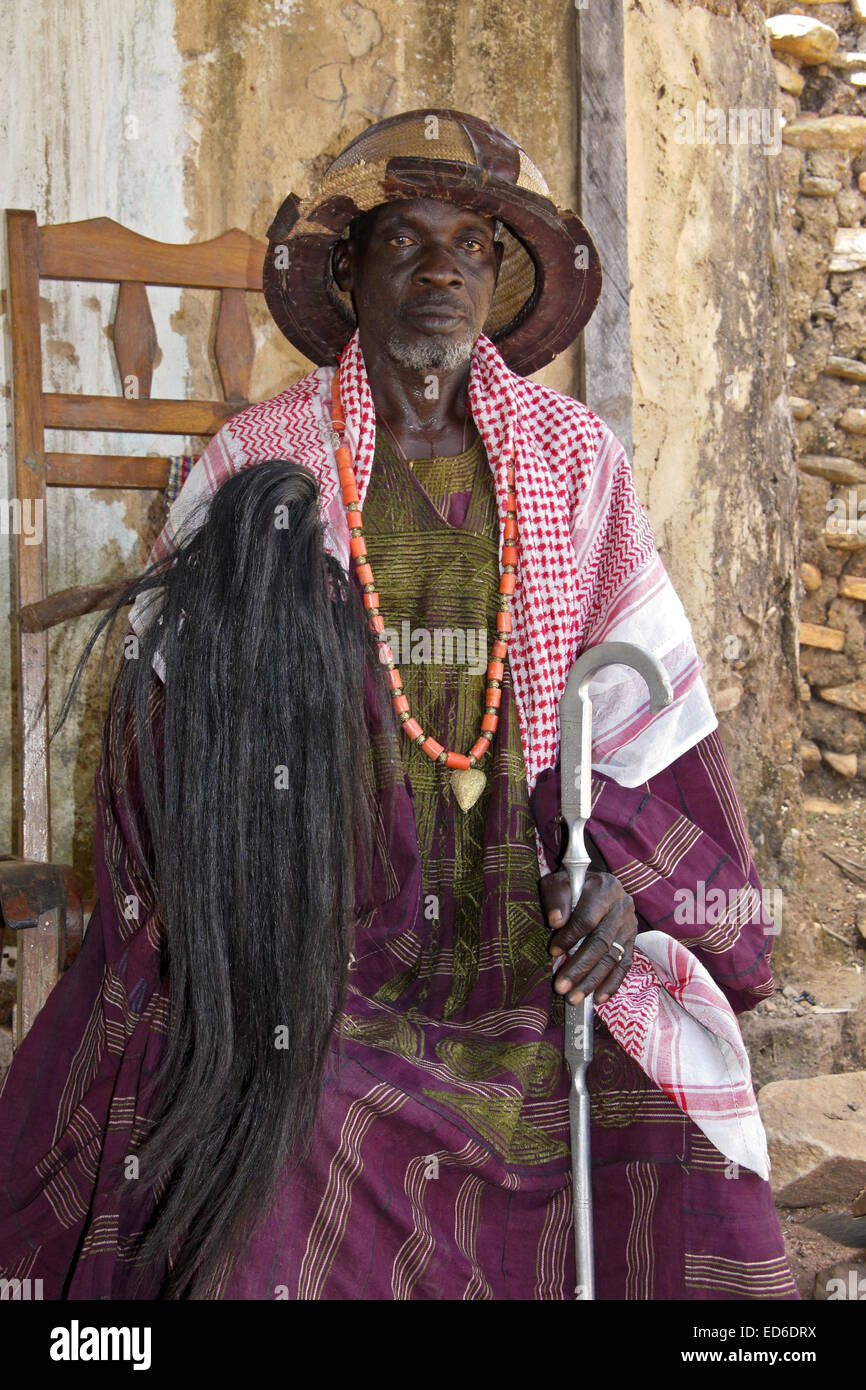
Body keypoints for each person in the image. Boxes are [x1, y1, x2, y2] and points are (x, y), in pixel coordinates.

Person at [0, 109, 798, 1300]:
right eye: (406, 244)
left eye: (471, 245)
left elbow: (646, 720)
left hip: (524, 926)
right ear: (349, 271)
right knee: (279, 1111)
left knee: (662, 1112)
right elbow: (174, 753)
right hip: (312, 940)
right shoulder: (257, 461)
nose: (441, 272)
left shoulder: (576, 462)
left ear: (499, 277)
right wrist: (267, 916)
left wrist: (622, 891)